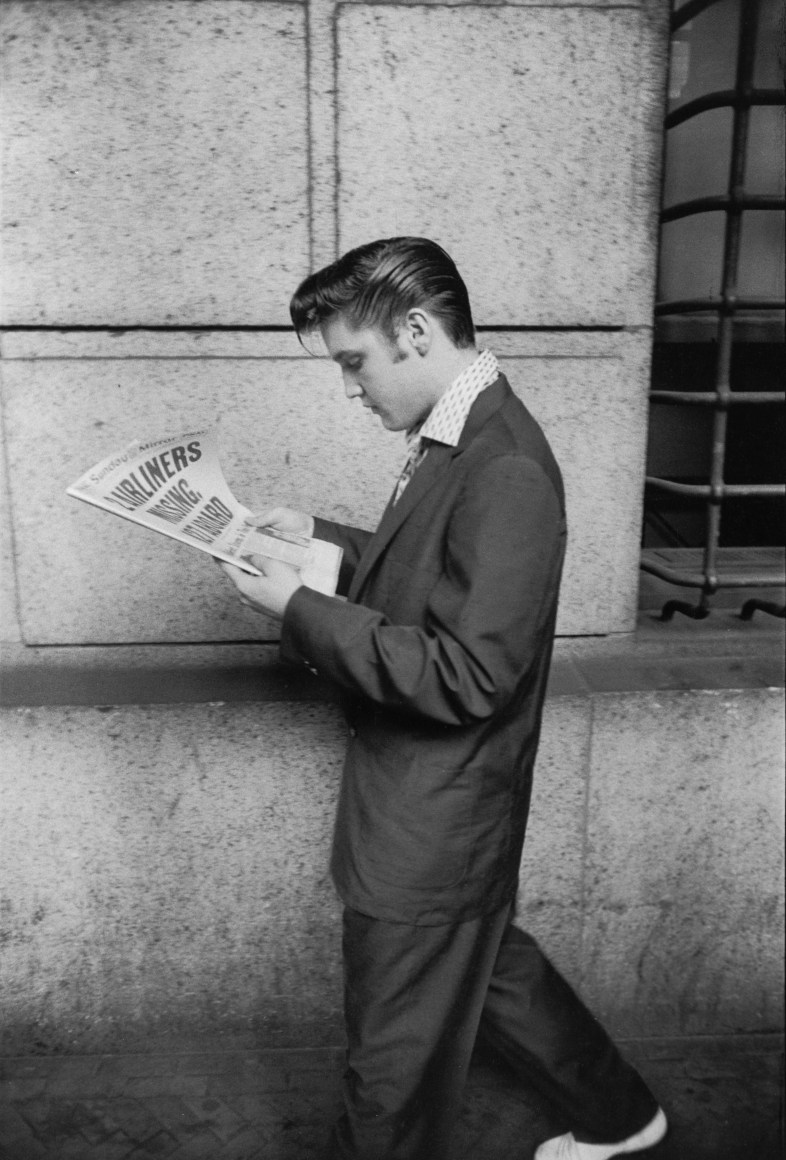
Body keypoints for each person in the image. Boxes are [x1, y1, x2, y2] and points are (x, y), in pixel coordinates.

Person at [220, 237, 667, 1160]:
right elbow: (428, 575)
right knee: (488, 969)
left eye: (355, 361)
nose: (350, 387)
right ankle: (624, 1115)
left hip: (436, 818)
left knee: (391, 1061)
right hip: (442, 805)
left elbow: (468, 674)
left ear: (416, 330)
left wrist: (299, 608)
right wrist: (322, 541)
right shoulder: (461, 432)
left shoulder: (501, 465)